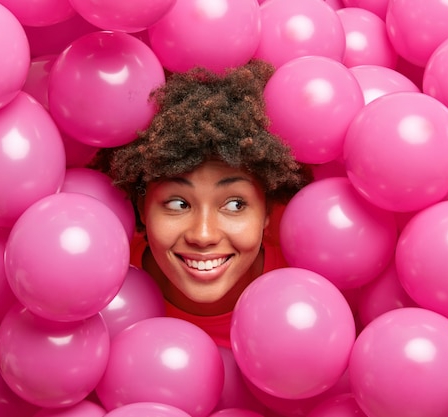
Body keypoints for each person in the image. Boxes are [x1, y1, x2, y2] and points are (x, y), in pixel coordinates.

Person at [90, 60, 312, 348]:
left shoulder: (302, 289)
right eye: (179, 203)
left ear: (267, 211)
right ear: (143, 207)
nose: (203, 235)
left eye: (234, 205)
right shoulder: (101, 286)